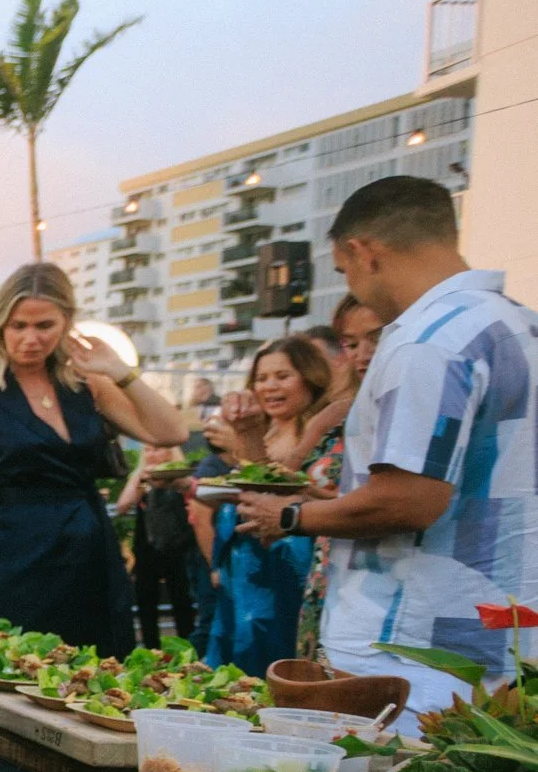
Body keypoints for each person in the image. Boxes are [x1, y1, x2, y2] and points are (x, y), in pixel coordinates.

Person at [236, 176, 538, 725]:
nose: (351, 283)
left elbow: (408, 501)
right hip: (506, 635)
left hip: (415, 649)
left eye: (343, 269)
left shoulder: (428, 340)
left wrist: (290, 515)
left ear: (363, 251)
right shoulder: (521, 325)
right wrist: (337, 497)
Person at [0, 263, 188, 653]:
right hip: (10, 556)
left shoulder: (88, 386)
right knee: (11, 672)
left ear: (66, 324)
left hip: (89, 555)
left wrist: (121, 372)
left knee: (96, 674)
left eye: (44, 326)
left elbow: (171, 433)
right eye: (18, 325)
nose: (30, 338)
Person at [198, 336, 336, 671]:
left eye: (282, 376)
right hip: (243, 568)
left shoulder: (323, 434)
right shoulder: (263, 433)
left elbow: (284, 488)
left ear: (311, 377)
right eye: (261, 378)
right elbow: (254, 486)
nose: (270, 386)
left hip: (291, 566)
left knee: (277, 656)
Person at [293, 294, 388, 660]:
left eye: (376, 339)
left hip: (379, 578)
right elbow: (282, 474)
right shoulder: (337, 413)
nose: (363, 354)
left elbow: (394, 503)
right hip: (327, 565)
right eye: (352, 343)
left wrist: (296, 510)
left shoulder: (408, 408)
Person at [116, 444, 199, 647]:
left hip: (178, 546)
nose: (152, 454)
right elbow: (122, 506)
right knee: (146, 603)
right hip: (147, 548)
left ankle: (186, 648)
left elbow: (194, 495)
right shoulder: (142, 477)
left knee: (182, 602)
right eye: (148, 450)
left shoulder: (180, 476)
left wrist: (172, 479)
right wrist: (139, 478)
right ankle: (150, 650)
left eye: (158, 449)